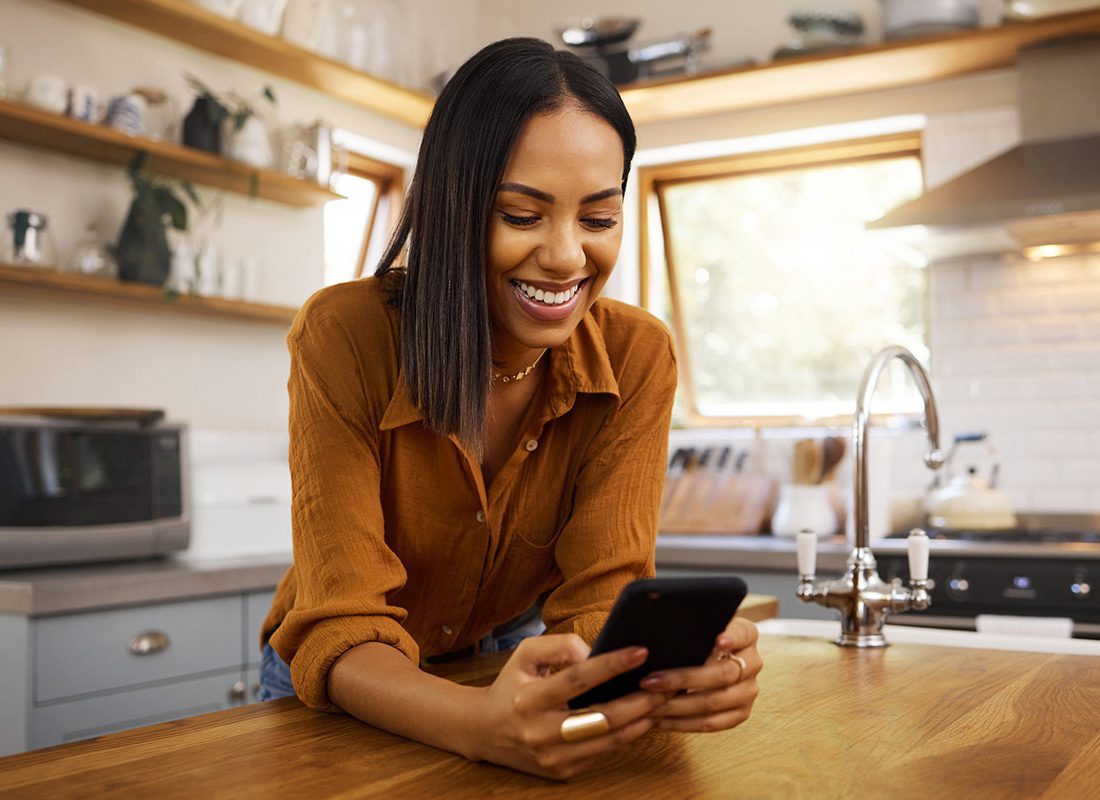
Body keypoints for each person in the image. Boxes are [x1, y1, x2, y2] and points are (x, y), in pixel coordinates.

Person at [258, 37, 761, 780]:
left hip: (505, 677)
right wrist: (475, 725)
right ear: (452, 208)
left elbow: (601, 598)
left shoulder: (637, 357)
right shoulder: (345, 334)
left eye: (598, 219)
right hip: (344, 690)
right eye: (522, 216)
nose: (565, 257)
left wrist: (666, 680)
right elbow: (341, 618)